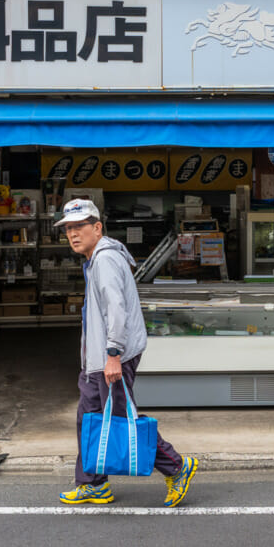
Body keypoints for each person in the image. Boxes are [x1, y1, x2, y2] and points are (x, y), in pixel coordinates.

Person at [56, 198, 198, 507]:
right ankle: (92, 484)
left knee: (122, 417)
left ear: (97, 227)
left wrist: (112, 354)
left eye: (79, 226)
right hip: (96, 358)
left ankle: (177, 467)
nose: (73, 234)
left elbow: (116, 310)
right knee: (88, 418)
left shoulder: (105, 259)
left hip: (110, 356)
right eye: (68, 229)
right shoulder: (97, 258)